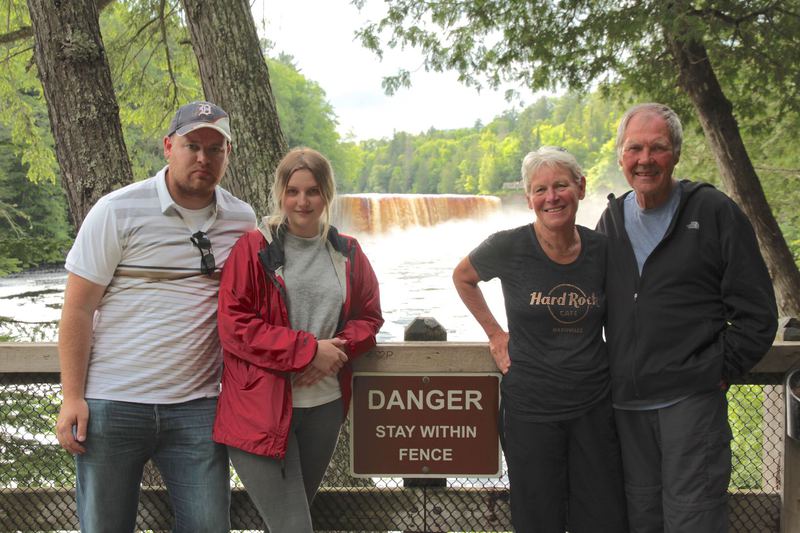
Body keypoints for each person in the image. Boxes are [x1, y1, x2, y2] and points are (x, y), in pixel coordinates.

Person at [54, 100, 256, 532]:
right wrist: (72, 398)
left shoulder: (242, 220)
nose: (203, 158)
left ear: (228, 154)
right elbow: (78, 309)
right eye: (192, 146)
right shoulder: (117, 210)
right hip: (112, 404)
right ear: (168, 147)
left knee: (208, 525)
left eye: (215, 148)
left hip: (199, 407)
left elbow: (249, 309)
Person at [596, 103, 778, 532]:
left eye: (657, 148)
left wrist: (717, 368)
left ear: (676, 153)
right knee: (641, 521)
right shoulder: (611, 222)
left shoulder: (713, 212)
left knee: (694, 520)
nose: (645, 159)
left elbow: (758, 314)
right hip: (627, 410)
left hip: (690, 408)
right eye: (634, 148)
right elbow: (587, 305)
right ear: (621, 156)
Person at [452, 147, 628, 533]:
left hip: (593, 407)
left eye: (561, 185)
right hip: (530, 410)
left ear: (581, 188)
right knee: (537, 519)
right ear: (529, 198)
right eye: (540, 189)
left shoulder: (601, 249)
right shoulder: (508, 246)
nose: (552, 197)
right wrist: (495, 333)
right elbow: (463, 277)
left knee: (602, 518)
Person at [212, 146, 383, 531]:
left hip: (323, 407)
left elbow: (369, 317)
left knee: (288, 522)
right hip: (260, 408)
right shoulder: (253, 249)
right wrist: (308, 352)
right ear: (280, 194)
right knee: (294, 527)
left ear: (327, 194)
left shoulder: (348, 252)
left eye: (312, 191)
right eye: (293, 191)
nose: (302, 202)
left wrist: (337, 350)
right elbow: (235, 326)